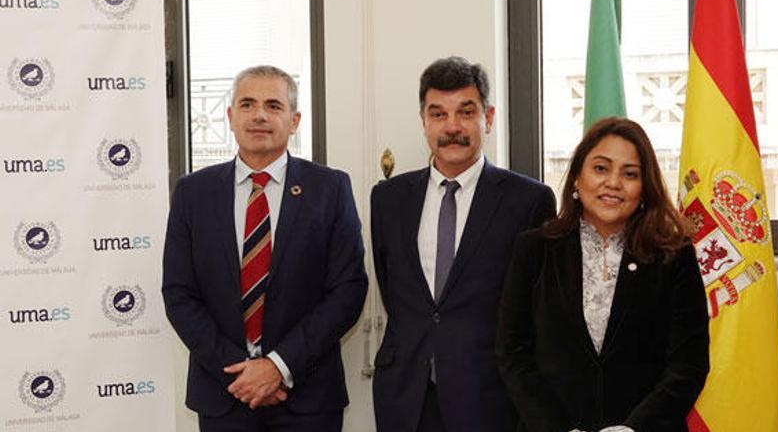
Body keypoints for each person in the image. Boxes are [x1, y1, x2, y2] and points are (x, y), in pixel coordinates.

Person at [162, 65, 367, 431]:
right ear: (230, 116)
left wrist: (278, 366)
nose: (259, 115)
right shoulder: (193, 193)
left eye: (273, 105)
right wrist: (242, 373)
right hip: (225, 392)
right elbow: (179, 294)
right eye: (247, 104)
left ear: (294, 120)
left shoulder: (330, 189)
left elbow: (348, 290)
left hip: (307, 397)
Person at [370, 56, 556, 432]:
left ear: (487, 118)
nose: (451, 126)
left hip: (490, 397)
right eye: (437, 114)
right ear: (423, 121)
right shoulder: (388, 198)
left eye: (465, 112)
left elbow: (536, 307)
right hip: (406, 396)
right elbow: (395, 291)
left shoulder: (529, 200)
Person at [496, 117, 709, 432]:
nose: (613, 182)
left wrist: (633, 428)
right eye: (600, 168)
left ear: (644, 188)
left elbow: (688, 365)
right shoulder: (535, 249)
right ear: (577, 180)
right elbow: (513, 354)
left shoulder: (673, 256)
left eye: (630, 174)